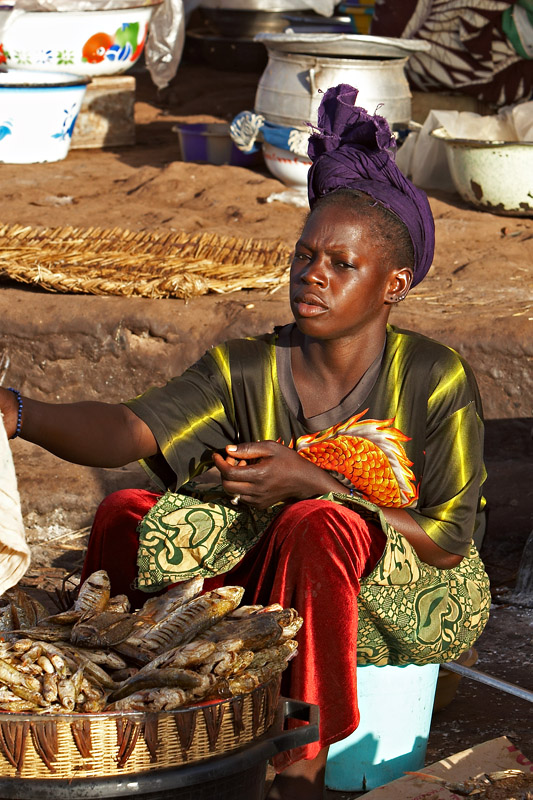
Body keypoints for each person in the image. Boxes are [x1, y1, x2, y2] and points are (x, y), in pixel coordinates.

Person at [1, 85, 490, 800]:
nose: (312, 275)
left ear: (394, 283)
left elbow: (447, 541)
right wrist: (19, 412)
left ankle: (301, 768)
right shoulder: (246, 368)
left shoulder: (431, 377)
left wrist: (315, 484)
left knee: (316, 523)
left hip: (405, 590)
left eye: (341, 264)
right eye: (304, 255)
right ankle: (116, 727)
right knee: (126, 512)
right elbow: (129, 429)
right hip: (272, 579)